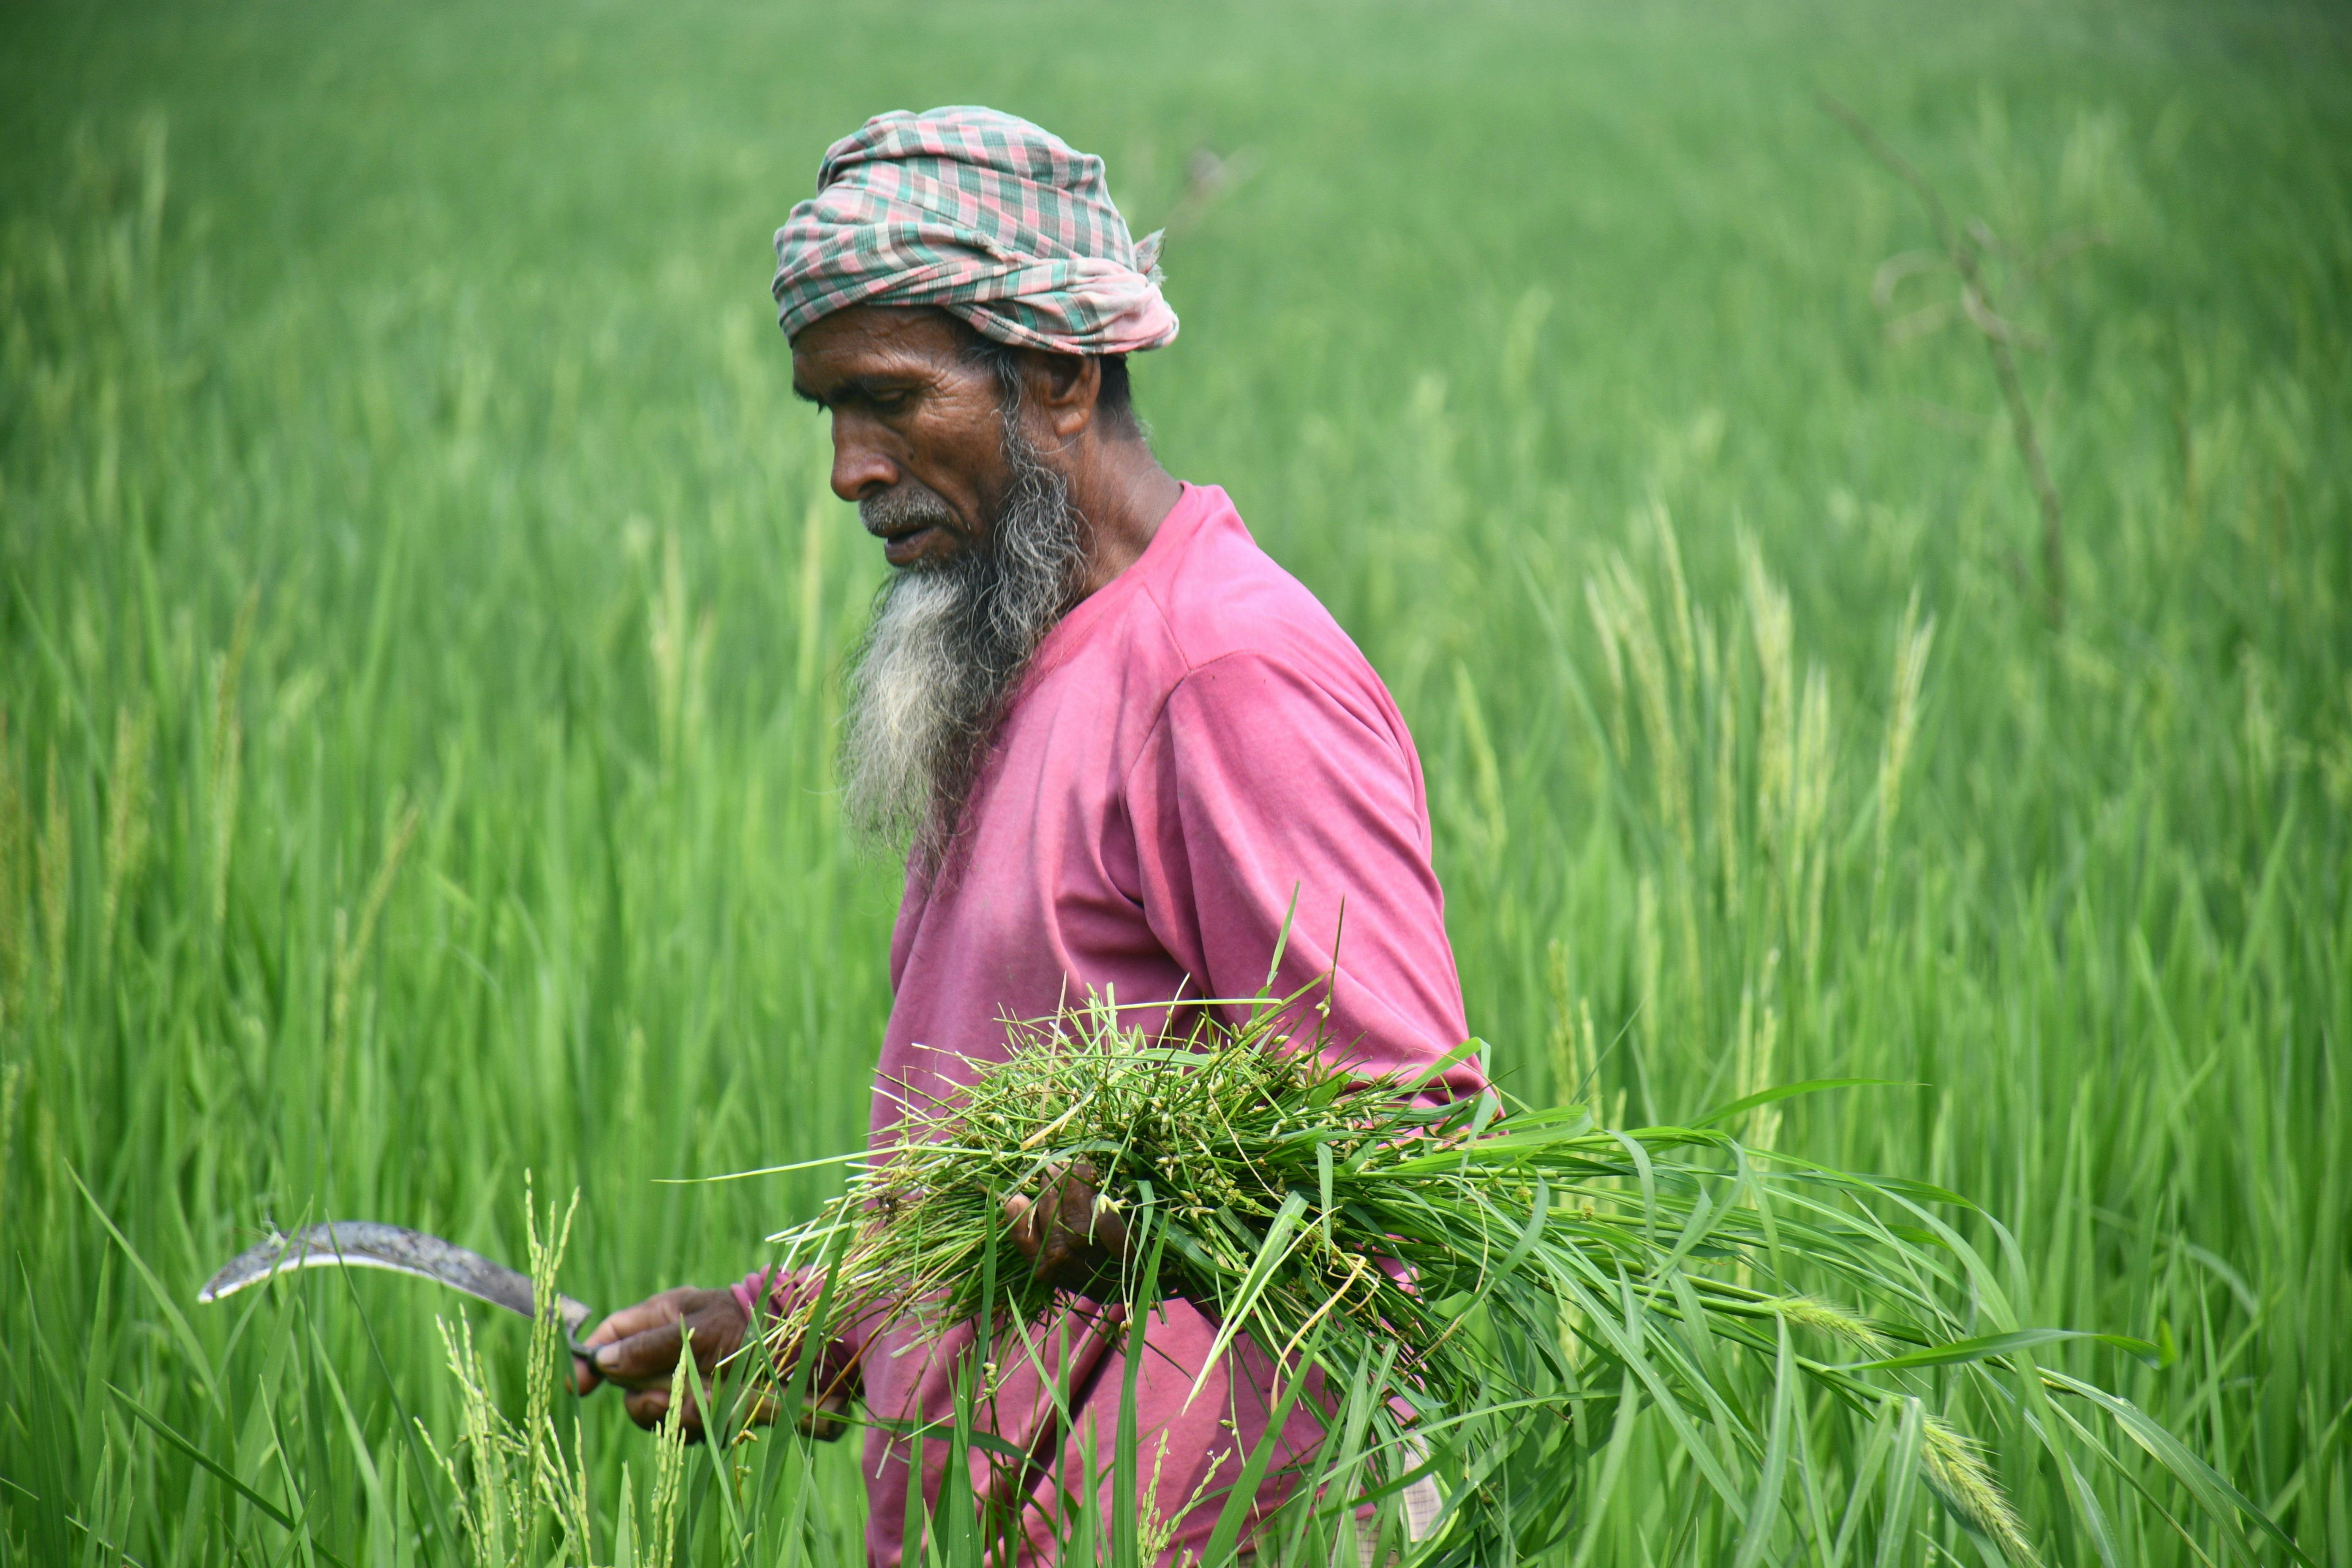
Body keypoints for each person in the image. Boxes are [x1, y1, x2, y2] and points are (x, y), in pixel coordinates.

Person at [572, 106, 1481, 1566]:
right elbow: (988, 1126)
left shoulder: (1222, 673)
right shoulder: (1017, 657)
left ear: (1061, 373)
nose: (849, 469)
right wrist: (800, 1326)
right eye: (828, 411)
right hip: (1006, 1518)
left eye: (889, 398)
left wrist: (1145, 1220)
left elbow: (1404, 1155)